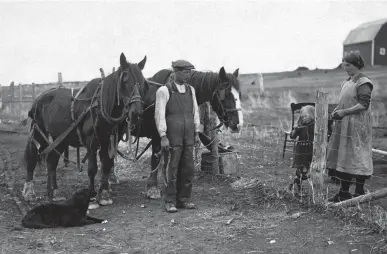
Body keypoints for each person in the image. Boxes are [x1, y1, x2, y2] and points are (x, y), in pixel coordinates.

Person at [326, 52, 374, 203]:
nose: (345, 68)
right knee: (344, 157)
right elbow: (345, 101)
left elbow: (363, 105)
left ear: (357, 65)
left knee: (358, 157)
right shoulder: (347, 81)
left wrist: (344, 112)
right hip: (344, 125)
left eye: (348, 65)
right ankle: (344, 192)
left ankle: (359, 191)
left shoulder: (363, 82)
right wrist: (337, 111)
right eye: (344, 65)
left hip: (357, 126)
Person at [155, 60, 201, 212]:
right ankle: (169, 200)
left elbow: (195, 113)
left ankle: (183, 199)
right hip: (172, 136)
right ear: (175, 72)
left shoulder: (191, 90)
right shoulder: (164, 91)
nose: (187, 75)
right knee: (171, 168)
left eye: (189, 72)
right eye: (184, 72)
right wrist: (163, 136)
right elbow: (159, 115)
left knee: (188, 168)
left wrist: (196, 133)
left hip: (188, 135)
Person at [289, 105, 315, 193]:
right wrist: (295, 129)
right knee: (300, 169)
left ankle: (296, 182)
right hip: (300, 151)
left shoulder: (315, 126)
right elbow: (292, 136)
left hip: (310, 151)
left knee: (307, 171)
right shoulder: (300, 126)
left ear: (312, 115)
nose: (303, 118)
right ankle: (298, 186)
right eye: (302, 117)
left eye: (305, 116)